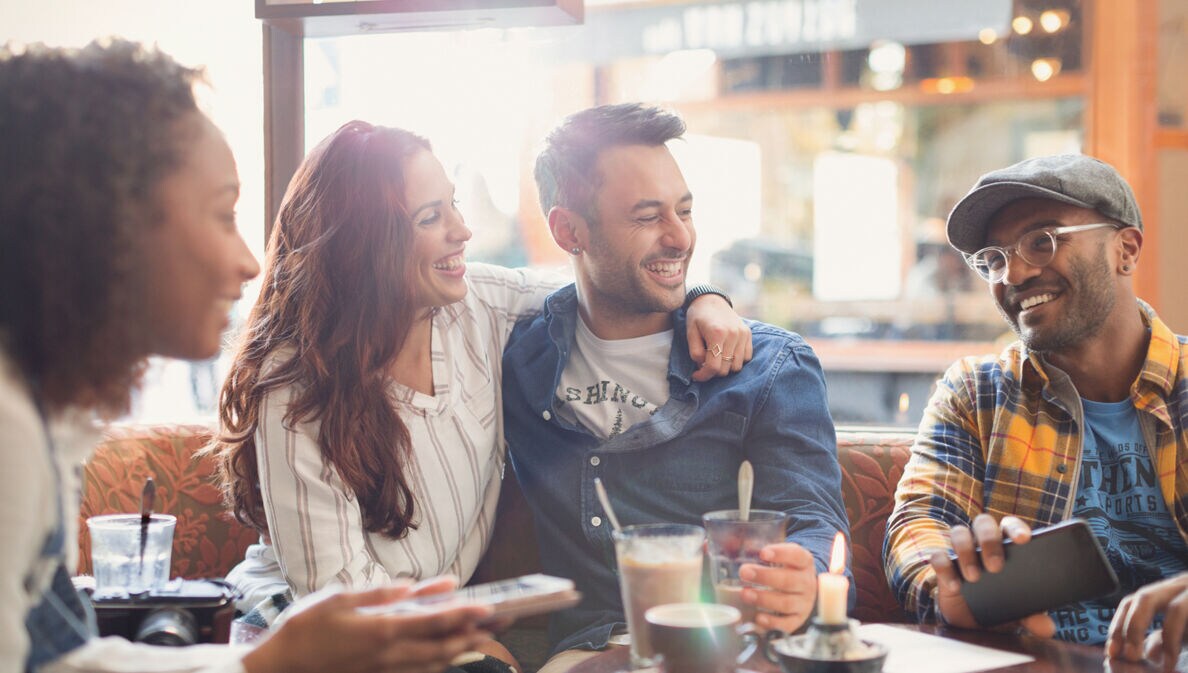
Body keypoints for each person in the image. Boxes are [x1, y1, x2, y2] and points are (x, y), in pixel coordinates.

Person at [0, 39, 496, 673]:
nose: (248, 261)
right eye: (223, 214)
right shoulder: (9, 432)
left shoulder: (48, 415)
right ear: (107, 226)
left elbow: (59, 660)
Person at [208, 120, 748, 669]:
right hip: (308, 636)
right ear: (363, 245)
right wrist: (464, 642)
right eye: (430, 217)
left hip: (436, 631)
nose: (462, 230)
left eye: (454, 205)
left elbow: (612, 285)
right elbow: (340, 598)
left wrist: (706, 298)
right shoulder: (296, 383)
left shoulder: (479, 306)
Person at [501, 103, 852, 673]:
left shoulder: (767, 367)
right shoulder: (518, 357)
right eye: (647, 217)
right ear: (569, 230)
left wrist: (805, 581)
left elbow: (812, 521)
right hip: (590, 654)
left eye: (684, 211)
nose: (679, 237)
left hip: (729, 651)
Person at [883, 154, 1188, 669]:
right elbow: (920, 522)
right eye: (994, 259)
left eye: (1041, 241)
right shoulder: (976, 393)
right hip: (1037, 658)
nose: (1014, 273)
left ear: (1126, 249)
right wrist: (948, 589)